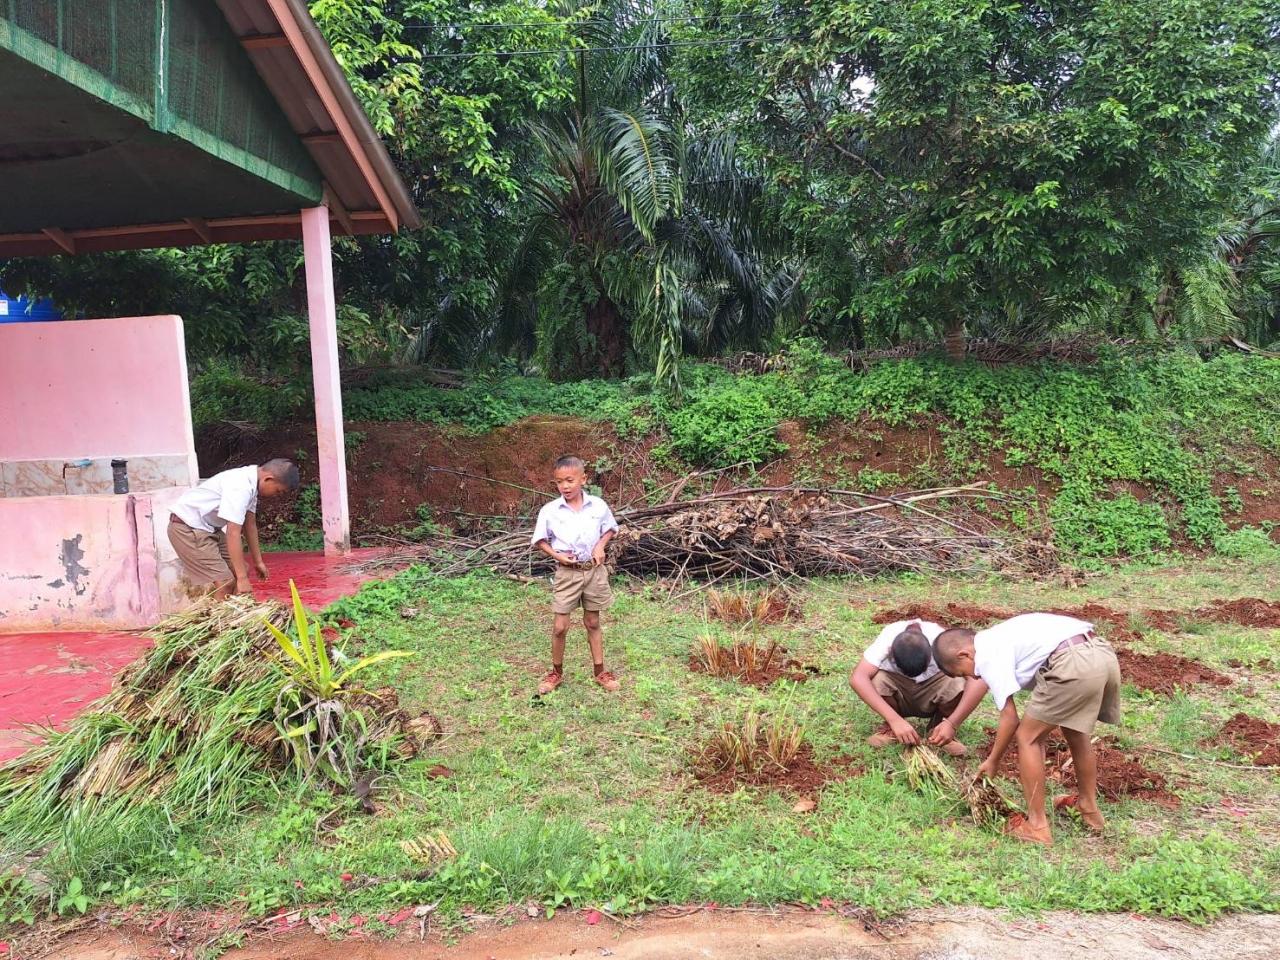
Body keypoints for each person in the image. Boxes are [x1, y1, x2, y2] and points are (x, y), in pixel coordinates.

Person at [932, 612, 1122, 845]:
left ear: (965, 654)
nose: (975, 676)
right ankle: (1089, 809)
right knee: (1076, 730)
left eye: (965, 672)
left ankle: (1037, 826)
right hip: (1100, 652)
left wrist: (993, 761)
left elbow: (1010, 719)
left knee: (1028, 738)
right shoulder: (1001, 634)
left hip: (1071, 663)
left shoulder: (987, 654)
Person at [530, 455, 620, 695]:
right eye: (559, 482)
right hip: (566, 574)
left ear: (583, 478)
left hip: (593, 571)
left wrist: (601, 545)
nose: (565, 486)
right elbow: (540, 540)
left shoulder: (598, 506)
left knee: (592, 621)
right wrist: (557, 556)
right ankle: (555, 673)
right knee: (560, 626)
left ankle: (600, 671)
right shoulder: (550, 510)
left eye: (569, 480)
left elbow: (611, 529)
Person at [168, 459, 300, 599]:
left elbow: (250, 525)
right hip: (187, 528)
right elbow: (233, 532)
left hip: (208, 528)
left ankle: (236, 614)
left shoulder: (252, 484)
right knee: (225, 583)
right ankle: (219, 619)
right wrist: (242, 579)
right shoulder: (240, 486)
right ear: (268, 479)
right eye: (278, 491)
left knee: (243, 569)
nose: (276, 495)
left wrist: (258, 562)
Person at [849, 619, 969, 756]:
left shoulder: (941, 640)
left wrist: (952, 723)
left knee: (959, 682)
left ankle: (939, 731)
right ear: (891, 653)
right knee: (877, 680)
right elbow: (857, 678)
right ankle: (891, 729)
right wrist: (894, 720)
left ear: (932, 653)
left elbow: (975, 679)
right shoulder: (887, 638)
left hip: (933, 689)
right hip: (899, 692)